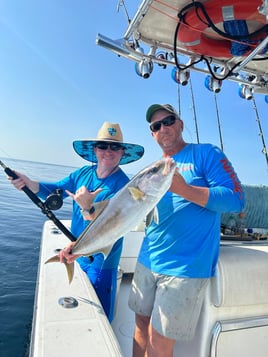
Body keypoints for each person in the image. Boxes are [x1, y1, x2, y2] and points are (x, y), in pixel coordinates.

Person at [128, 104, 245, 356]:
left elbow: (236, 199)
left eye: (168, 121)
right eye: (156, 126)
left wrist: (183, 189)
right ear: (152, 134)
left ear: (180, 124)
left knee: (159, 342)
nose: (163, 128)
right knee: (140, 326)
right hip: (147, 259)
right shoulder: (154, 168)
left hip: (184, 267)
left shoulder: (206, 154)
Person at [9, 121, 144, 322]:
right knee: (83, 306)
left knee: (101, 315)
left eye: (115, 146)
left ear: (122, 152)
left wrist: (87, 208)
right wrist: (28, 182)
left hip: (102, 260)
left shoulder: (125, 186)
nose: (108, 151)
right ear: (95, 149)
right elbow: (54, 190)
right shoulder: (82, 173)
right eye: (103, 146)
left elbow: (112, 225)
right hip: (78, 251)